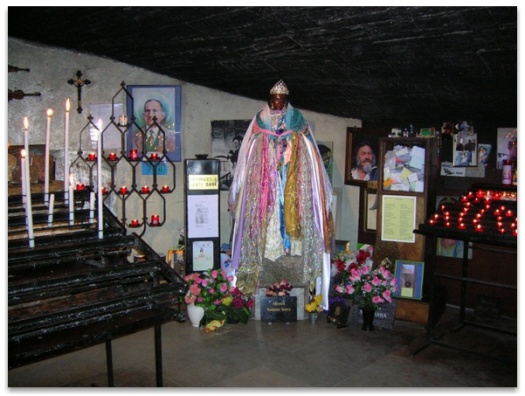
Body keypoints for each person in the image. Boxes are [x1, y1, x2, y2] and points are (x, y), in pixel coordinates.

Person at [228, 80, 334, 309]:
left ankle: (291, 249)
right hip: (265, 181)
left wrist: (291, 147)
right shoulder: (260, 119)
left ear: (286, 101)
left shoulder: (297, 119)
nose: (278, 103)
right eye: (275, 99)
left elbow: (307, 147)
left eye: (282, 100)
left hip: (292, 178)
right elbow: (250, 150)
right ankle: (267, 252)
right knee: (269, 211)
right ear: (270, 99)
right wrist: (267, 154)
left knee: (291, 208)